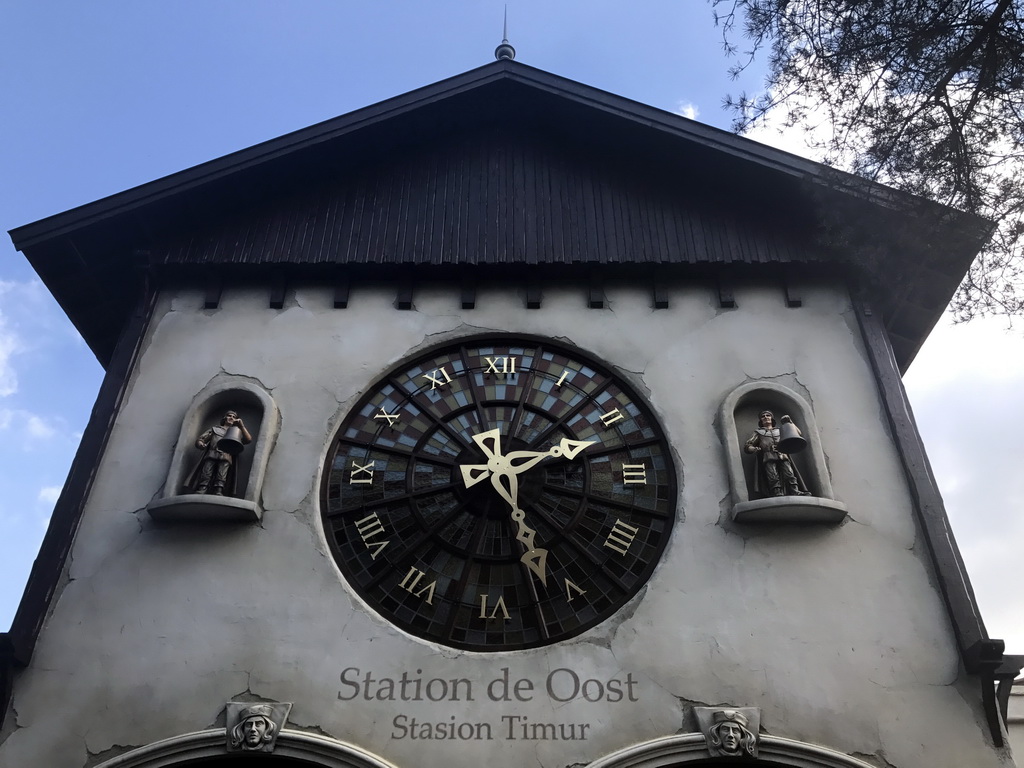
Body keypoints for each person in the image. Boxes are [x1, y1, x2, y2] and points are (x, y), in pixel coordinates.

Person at [744, 410, 809, 498]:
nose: (766, 417)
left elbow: (797, 433)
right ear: (761, 420)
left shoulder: (780, 430)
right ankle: (777, 493)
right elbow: (748, 445)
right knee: (772, 476)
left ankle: (795, 491)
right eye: (763, 416)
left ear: (772, 418)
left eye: (768, 415)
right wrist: (754, 449)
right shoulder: (759, 432)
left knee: (789, 473)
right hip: (768, 455)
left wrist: (790, 422)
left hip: (782, 454)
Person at [188, 410, 252, 496]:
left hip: (226, 455)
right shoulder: (215, 429)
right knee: (206, 472)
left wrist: (241, 426)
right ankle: (203, 487)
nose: (231, 418)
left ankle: (218, 490)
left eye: (234, 417)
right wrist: (200, 444)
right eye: (229, 415)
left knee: (222, 474)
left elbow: (248, 440)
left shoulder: (236, 432)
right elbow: (201, 439)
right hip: (212, 453)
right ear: (225, 418)